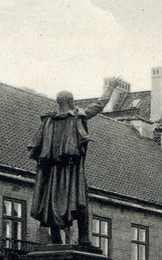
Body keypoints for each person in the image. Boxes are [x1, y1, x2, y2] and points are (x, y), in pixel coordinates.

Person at [29, 81, 117, 245]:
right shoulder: (77, 116)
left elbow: (37, 148)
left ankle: (56, 238)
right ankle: (83, 238)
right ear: (71, 101)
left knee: (51, 202)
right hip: (71, 171)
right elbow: (98, 106)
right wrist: (110, 89)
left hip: (52, 173)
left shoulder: (48, 121)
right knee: (80, 201)